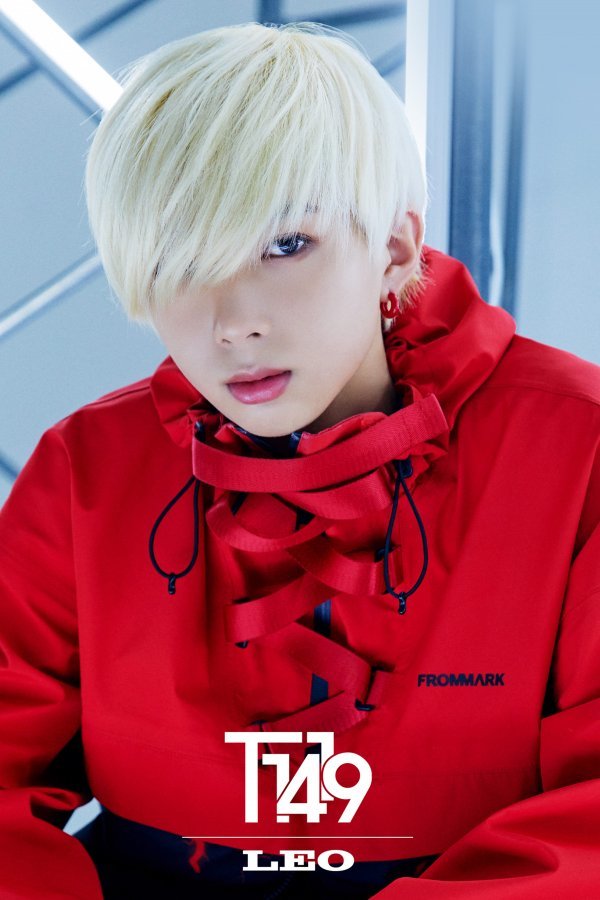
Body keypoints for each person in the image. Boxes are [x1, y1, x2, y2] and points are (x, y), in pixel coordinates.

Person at [0, 19, 599, 900]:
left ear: (394, 245)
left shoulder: (579, 449)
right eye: (178, 263)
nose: (232, 321)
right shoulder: (87, 467)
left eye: (285, 246)